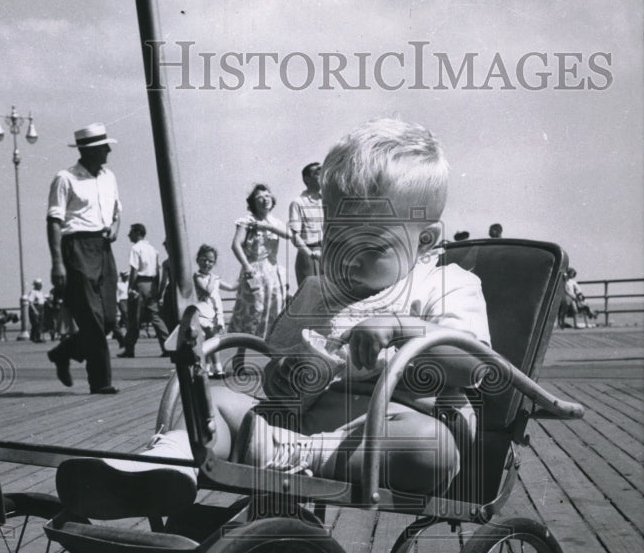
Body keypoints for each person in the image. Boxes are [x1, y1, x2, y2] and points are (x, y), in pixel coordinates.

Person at [121, 116, 490, 501]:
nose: (347, 260)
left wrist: (403, 326)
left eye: (370, 247)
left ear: (425, 240)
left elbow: (473, 365)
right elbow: (276, 373)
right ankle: (162, 465)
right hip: (303, 425)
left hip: (387, 432)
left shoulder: (445, 284)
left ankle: (279, 456)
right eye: (335, 240)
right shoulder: (318, 291)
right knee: (211, 402)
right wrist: (282, 376)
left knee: (430, 446)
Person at [46, 122, 121, 394]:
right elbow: (54, 221)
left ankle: (64, 352)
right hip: (76, 246)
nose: (108, 152)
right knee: (91, 318)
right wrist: (57, 263)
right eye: (104, 148)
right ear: (88, 151)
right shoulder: (65, 178)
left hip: (102, 246)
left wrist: (114, 227)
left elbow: (116, 210)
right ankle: (101, 382)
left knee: (110, 318)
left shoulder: (109, 177)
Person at [228, 183, 294, 340]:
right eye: (260, 197)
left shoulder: (274, 222)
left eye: (267, 196)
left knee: (275, 311)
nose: (265, 200)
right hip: (254, 270)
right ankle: (241, 353)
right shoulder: (247, 220)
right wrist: (246, 266)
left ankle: (272, 352)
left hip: (272, 271)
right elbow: (236, 245)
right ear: (253, 202)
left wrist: (267, 227)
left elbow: (289, 235)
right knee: (253, 311)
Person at [119, 223, 170, 358]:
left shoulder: (136, 248)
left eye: (131, 233)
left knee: (134, 317)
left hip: (140, 284)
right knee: (156, 316)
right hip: (152, 284)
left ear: (137, 233)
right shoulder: (153, 250)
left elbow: (134, 270)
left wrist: (130, 287)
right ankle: (168, 346)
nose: (129, 235)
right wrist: (158, 289)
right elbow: (157, 271)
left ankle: (129, 349)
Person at [193, 244, 237, 378]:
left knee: (212, 341)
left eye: (211, 261)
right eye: (204, 260)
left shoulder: (215, 278)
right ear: (198, 260)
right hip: (205, 313)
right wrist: (212, 278)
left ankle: (207, 368)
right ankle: (217, 368)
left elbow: (230, 287)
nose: (207, 263)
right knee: (212, 341)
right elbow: (208, 290)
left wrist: (243, 279)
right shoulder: (198, 276)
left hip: (215, 313)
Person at [287, 161, 324, 287]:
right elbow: (295, 236)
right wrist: (310, 254)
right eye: (317, 173)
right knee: (311, 297)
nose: (323, 175)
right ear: (307, 179)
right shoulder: (298, 203)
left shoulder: (327, 200)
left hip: (328, 254)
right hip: (309, 254)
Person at [26, 277, 47, 342]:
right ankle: (36, 337)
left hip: (41, 308)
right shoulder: (33, 292)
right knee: (36, 323)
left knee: (40, 323)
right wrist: (35, 310)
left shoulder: (40, 292)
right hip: (36, 307)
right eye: (39, 284)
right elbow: (30, 302)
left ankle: (35, 337)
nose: (41, 286)